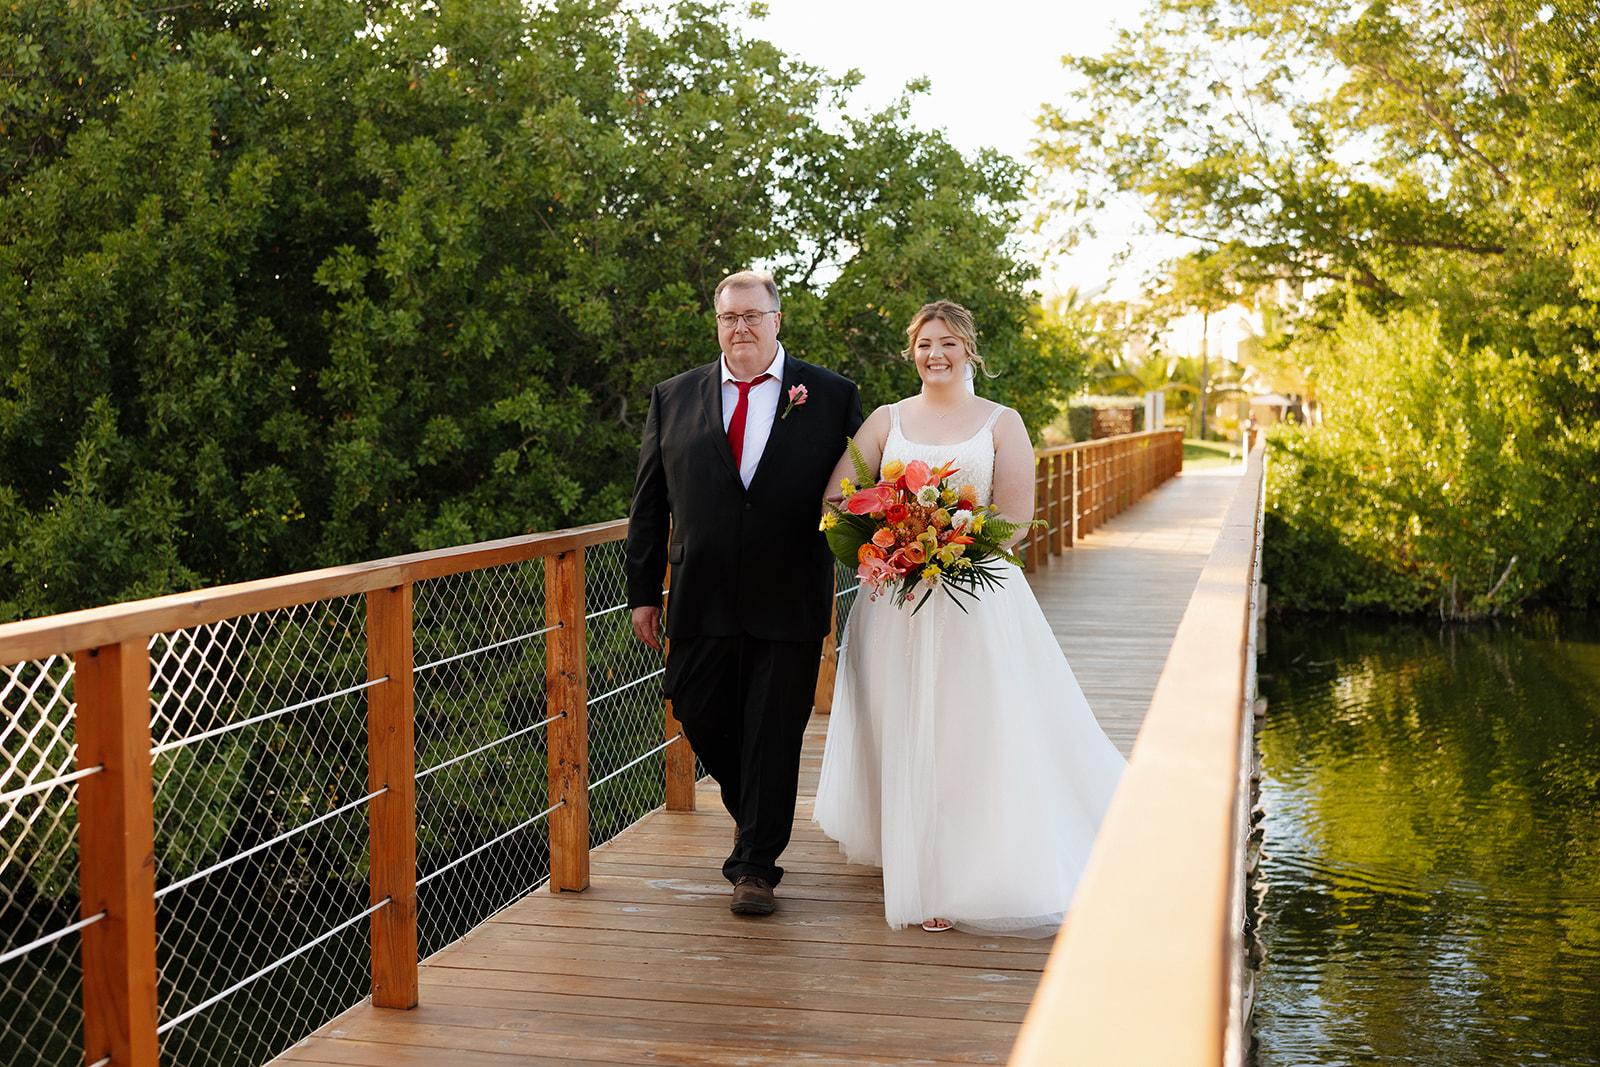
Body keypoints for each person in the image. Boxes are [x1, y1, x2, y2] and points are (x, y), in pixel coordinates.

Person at [813, 300, 1125, 936]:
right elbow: (837, 497)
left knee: (967, 731)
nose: (936, 354)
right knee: (903, 726)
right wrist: (891, 538)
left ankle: (957, 871)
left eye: (949, 343)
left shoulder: (1002, 423)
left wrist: (945, 543)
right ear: (912, 352)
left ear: (970, 351)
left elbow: (1012, 519)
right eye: (926, 343)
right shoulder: (886, 419)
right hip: (894, 604)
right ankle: (913, 851)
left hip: (975, 601)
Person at [626, 270, 864, 917]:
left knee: (775, 731)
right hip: (699, 593)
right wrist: (642, 591)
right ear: (717, 324)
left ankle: (755, 864)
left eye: (753, 315)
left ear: (777, 320)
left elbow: (862, 493)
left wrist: (876, 557)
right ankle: (757, 806)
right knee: (694, 704)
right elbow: (649, 505)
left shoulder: (833, 396)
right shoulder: (673, 397)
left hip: (789, 591)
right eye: (730, 318)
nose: (742, 328)